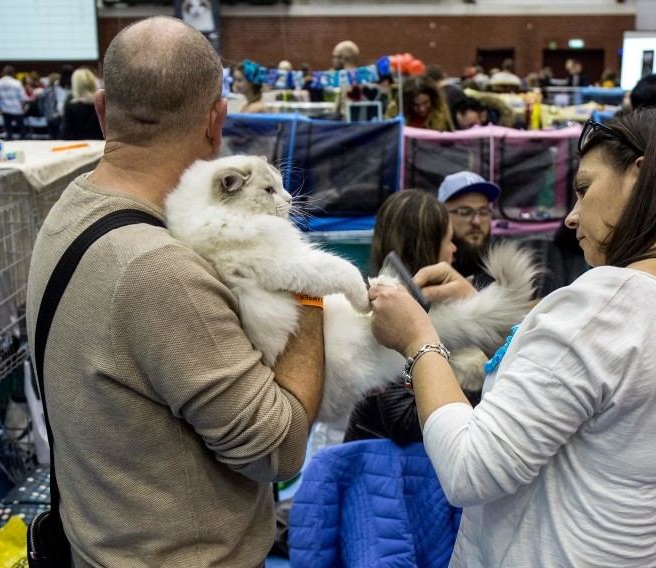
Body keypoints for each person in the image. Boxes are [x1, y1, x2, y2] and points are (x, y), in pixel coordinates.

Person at [367, 105, 656, 566]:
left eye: (584, 190)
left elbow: (469, 468)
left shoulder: (606, 301)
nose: (572, 216)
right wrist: (482, 314)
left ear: (639, 178)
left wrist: (418, 340)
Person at [25, 16, 324, 567]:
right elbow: (278, 451)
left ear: (101, 108)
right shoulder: (159, 269)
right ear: (218, 121)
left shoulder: (68, 208)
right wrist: (303, 283)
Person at [343, 189, 475, 446]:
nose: (454, 248)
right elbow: (404, 421)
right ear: (428, 246)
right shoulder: (393, 318)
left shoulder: (373, 302)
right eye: (448, 239)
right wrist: (483, 396)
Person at [437, 171, 500, 288]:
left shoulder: (503, 274)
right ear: (442, 215)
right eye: (464, 212)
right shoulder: (429, 268)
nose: (476, 221)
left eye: (483, 212)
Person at [385, 74, 453, 131]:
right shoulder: (395, 112)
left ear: (433, 99)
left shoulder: (442, 114)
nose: (422, 109)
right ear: (407, 103)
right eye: (415, 105)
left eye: (426, 102)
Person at [60, 67, 104, 140]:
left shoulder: (71, 108)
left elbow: (65, 135)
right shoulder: (102, 104)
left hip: (78, 148)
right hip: (101, 146)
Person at [0, 65, 28, 140]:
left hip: (5, 109)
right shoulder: (16, 83)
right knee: (21, 129)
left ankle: (9, 141)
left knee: (8, 129)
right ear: (12, 73)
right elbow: (22, 97)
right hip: (17, 108)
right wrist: (24, 105)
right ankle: (23, 141)